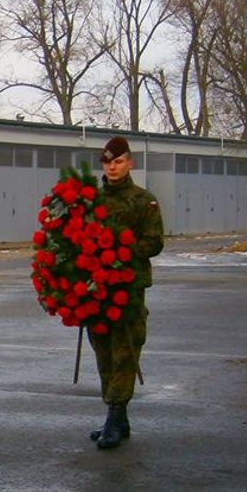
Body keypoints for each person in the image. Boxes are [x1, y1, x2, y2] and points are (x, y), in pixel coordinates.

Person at [87, 136, 165, 449]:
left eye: (118, 162)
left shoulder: (144, 200)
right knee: (103, 351)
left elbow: (155, 242)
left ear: (129, 163)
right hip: (96, 290)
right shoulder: (91, 201)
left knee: (124, 351)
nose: (113, 167)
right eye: (108, 162)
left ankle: (115, 416)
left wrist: (121, 249)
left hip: (128, 290)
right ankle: (117, 417)